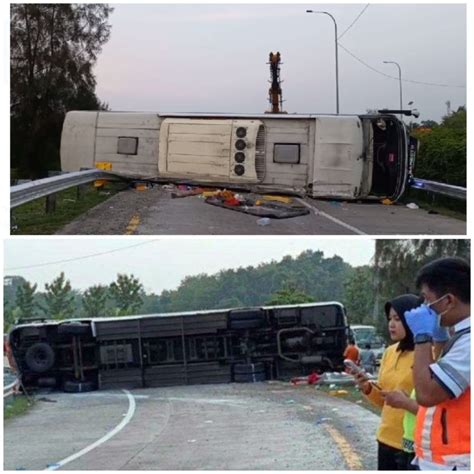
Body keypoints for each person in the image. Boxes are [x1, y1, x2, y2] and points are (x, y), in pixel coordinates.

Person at [404, 257, 470, 470]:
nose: (424, 307)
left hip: (458, 462)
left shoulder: (469, 343)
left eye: (426, 299)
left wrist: (422, 337)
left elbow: (427, 394)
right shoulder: (460, 336)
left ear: (449, 301)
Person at [352, 294, 419, 470]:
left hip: (413, 444)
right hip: (386, 438)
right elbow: (384, 402)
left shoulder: (429, 353)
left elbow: (435, 408)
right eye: (389, 319)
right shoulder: (390, 352)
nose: (391, 324)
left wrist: (406, 403)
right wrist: (367, 387)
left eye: (397, 319)